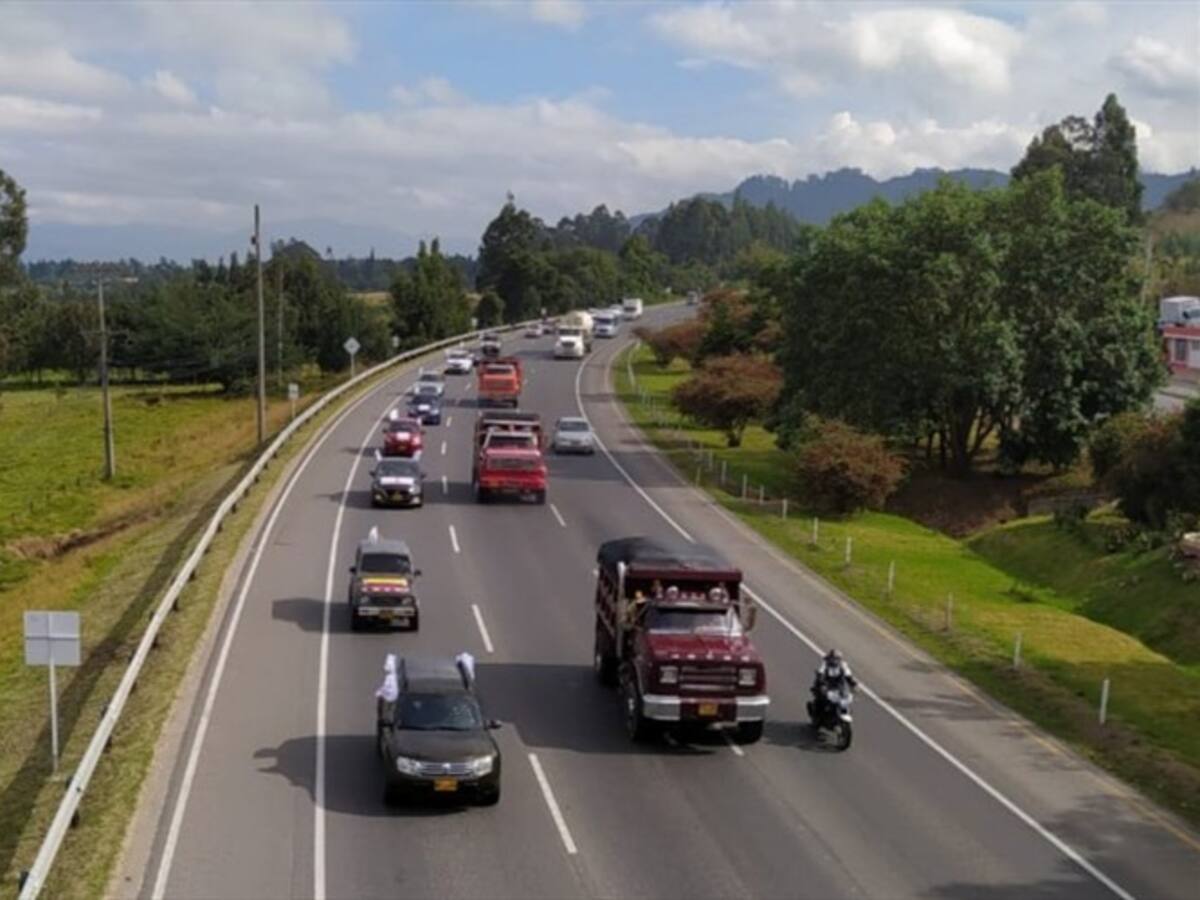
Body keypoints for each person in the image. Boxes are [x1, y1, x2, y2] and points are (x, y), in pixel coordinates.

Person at [808, 649, 857, 720]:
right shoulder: (825, 664)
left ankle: (844, 712)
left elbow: (848, 676)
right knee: (822, 699)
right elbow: (820, 673)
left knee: (845, 698)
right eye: (834, 658)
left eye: (837, 659)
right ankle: (817, 714)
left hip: (838, 687)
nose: (835, 660)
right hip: (826, 685)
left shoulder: (843, 665)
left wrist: (854, 684)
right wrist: (822, 683)